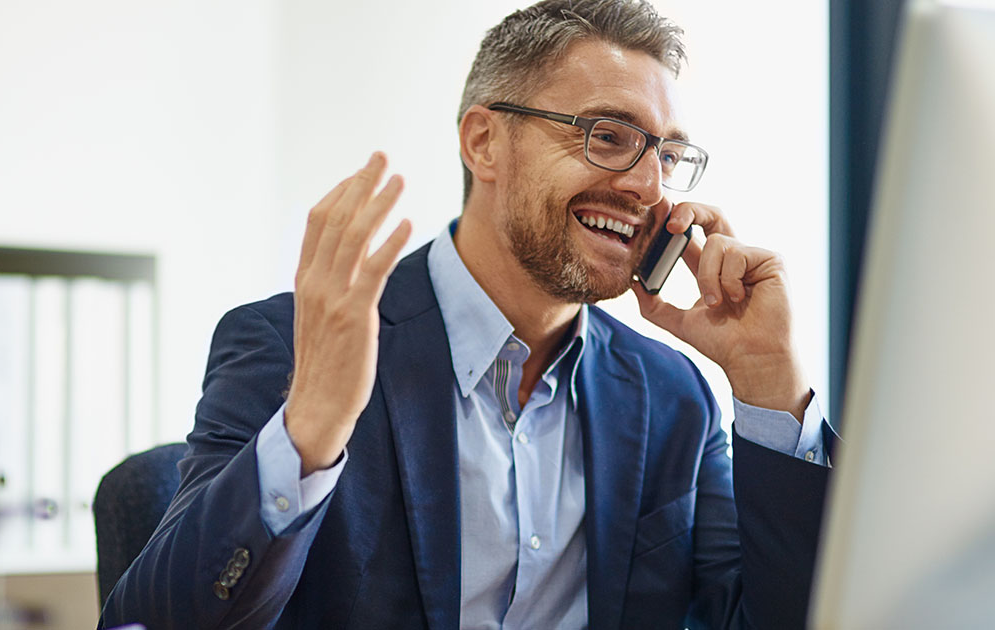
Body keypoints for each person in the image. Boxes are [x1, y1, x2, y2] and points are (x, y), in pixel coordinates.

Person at [100, 1, 835, 628]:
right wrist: (309, 433)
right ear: (484, 142)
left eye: (667, 156)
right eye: (608, 137)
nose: (649, 187)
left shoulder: (671, 395)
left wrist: (770, 384)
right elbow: (152, 617)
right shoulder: (293, 344)